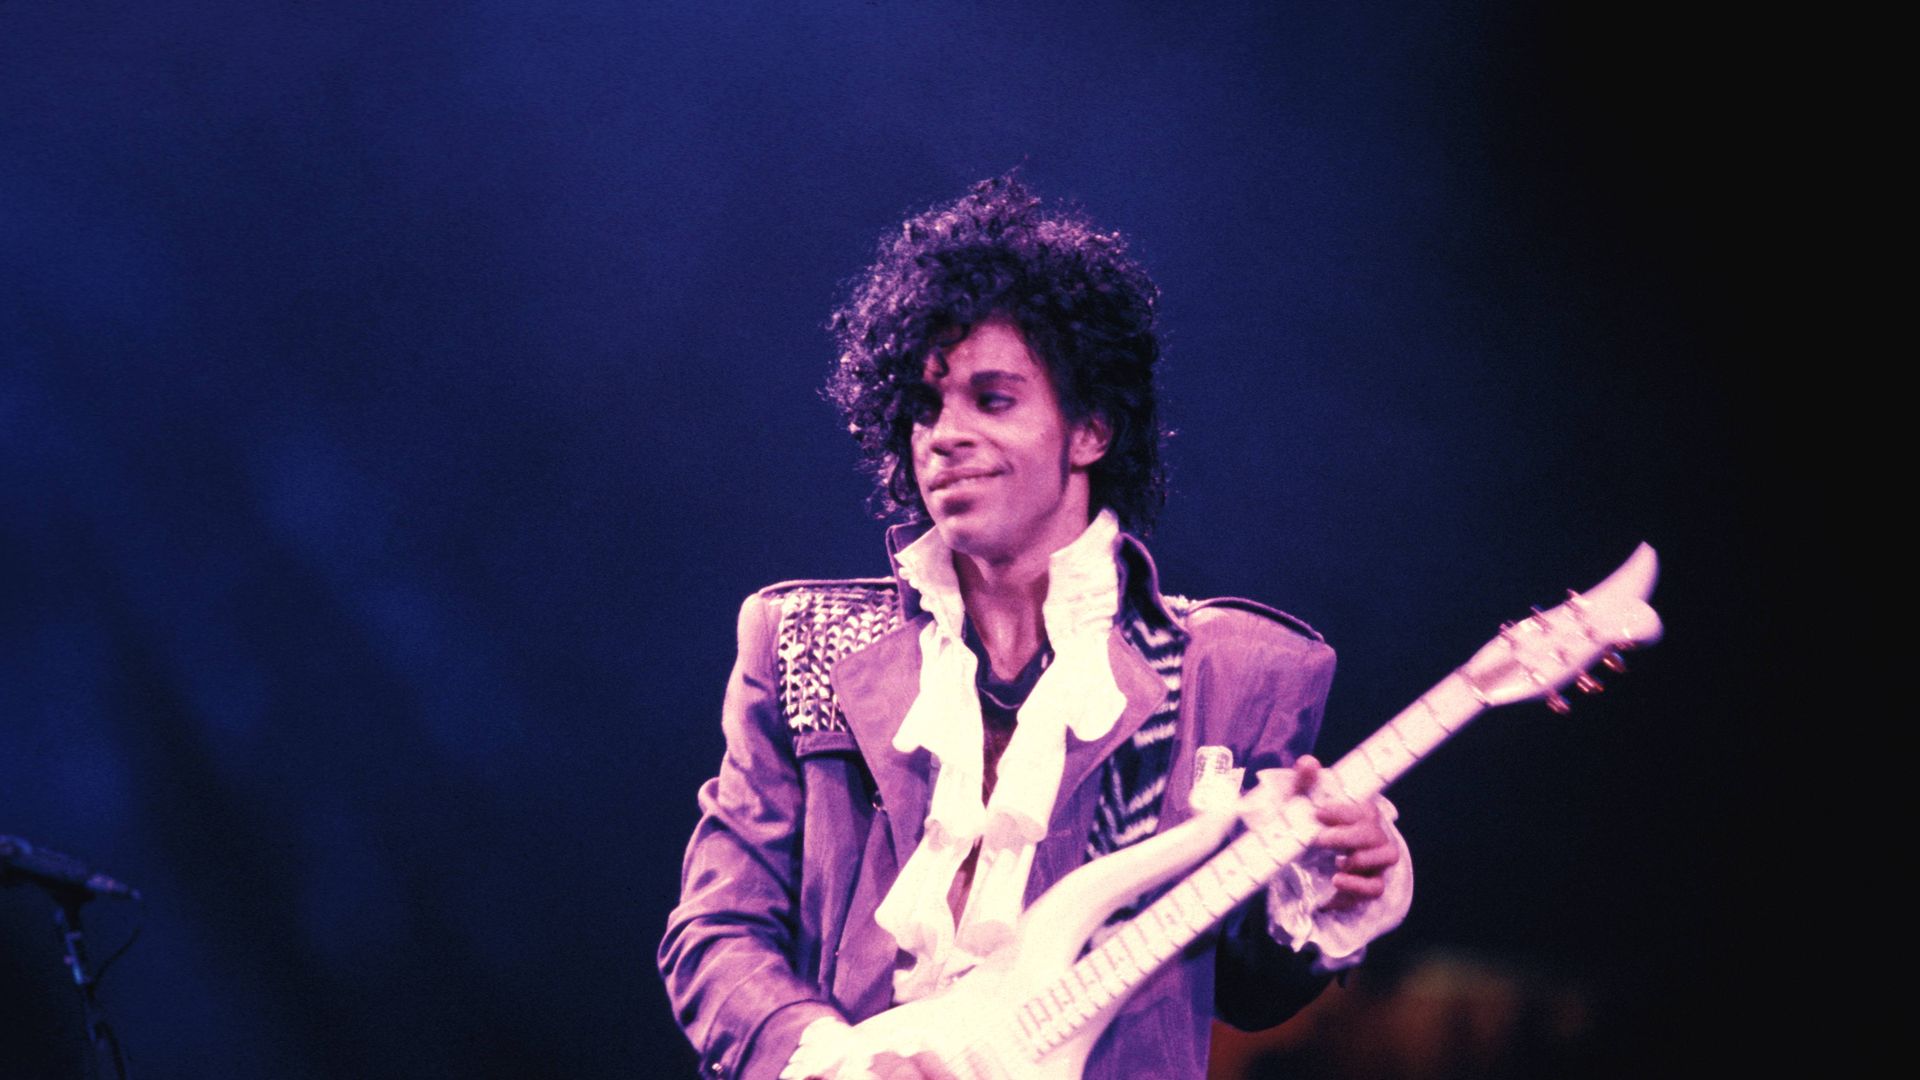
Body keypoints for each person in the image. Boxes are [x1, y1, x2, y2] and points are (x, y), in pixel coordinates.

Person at [659, 176, 1411, 1079]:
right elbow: (715, 931)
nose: (943, 435)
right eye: (926, 406)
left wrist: (1331, 890)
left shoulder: (1230, 673)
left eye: (994, 398)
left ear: (1090, 429)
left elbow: (1247, 988)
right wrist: (835, 1063)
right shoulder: (800, 642)